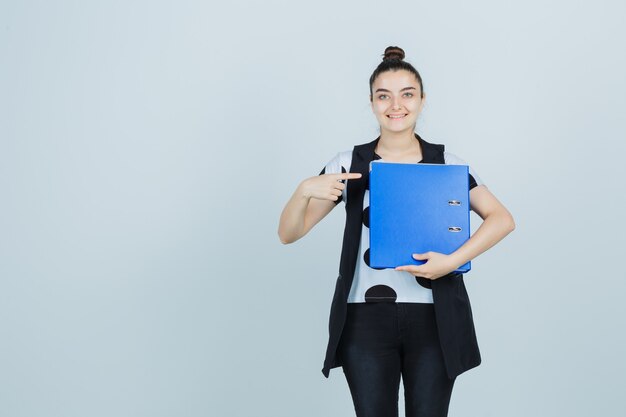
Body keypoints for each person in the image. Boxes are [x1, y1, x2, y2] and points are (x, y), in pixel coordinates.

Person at [277, 46, 515, 417]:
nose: (395, 105)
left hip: (435, 317)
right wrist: (302, 190)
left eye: (407, 94)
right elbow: (289, 233)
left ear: (422, 100)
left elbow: (502, 219)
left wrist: (451, 262)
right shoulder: (349, 163)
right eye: (383, 96)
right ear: (371, 103)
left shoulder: (446, 164)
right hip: (364, 318)